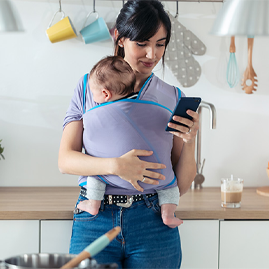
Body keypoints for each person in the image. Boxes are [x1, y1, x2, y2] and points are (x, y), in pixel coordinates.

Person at [58, 0, 199, 268]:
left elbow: (180, 183)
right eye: (143, 43)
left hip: (154, 220)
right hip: (95, 216)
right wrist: (117, 166)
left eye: (160, 44)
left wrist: (190, 142)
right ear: (119, 38)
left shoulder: (173, 97)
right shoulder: (89, 86)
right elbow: (65, 160)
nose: (152, 54)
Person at [77, 55, 183, 229]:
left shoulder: (98, 113)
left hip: (109, 188)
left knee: (95, 174)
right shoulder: (153, 105)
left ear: (105, 94)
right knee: (170, 187)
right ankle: (168, 214)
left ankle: (93, 204)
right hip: (158, 180)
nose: (151, 53)